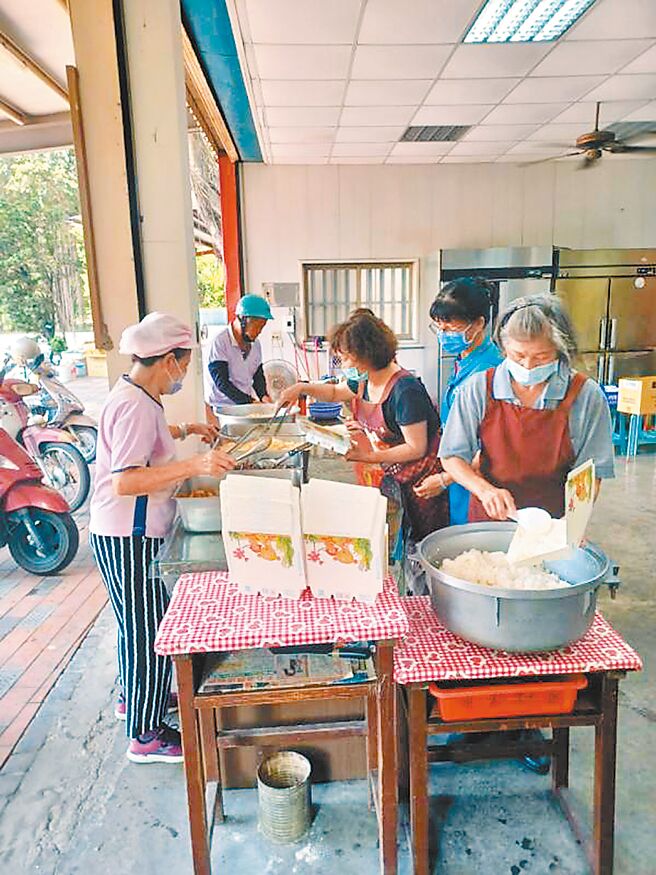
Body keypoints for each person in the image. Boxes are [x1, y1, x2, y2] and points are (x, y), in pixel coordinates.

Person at [89, 312, 235, 764]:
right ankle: (145, 734)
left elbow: (145, 439)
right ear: (168, 360)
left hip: (125, 531)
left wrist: (186, 430)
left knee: (136, 623)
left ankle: (134, 699)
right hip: (128, 534)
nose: (183, 374)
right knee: (145, 630)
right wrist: (195, 465)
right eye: (184, 365)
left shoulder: (138, 394)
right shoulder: (134, 403)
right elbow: (127, 481)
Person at [439, 294, 614, 522]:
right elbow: (452, 456)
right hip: (491, 518)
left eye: (541, 357)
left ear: (561, 352)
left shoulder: (585, 395)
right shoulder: (480, 387)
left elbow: (591, 473)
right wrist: (484, 490)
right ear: (504, 347)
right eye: (518, 356)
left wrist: (573, 524)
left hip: (553, 522)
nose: (528, 366)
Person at [278, 309, 448, 541]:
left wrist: (368, 456)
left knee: (422, 544)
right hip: (395, 474)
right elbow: (335, 391)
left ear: (366, 354)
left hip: (422, 482)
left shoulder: (405, 390)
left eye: (346, 357)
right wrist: (301, 388)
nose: (342, 364)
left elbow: (415, 447)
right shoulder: (363, 379)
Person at [415, 278, 503, 524]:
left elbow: (491, 446)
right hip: (459, 472)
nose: (443, 335)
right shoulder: (466, 360)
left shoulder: (488, 371)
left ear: (478, 324)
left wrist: (445, 479)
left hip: (480, 480)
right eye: (439, 328)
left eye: (450, 329)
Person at [207, 294, 273, 411]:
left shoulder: (255, 344)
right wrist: (250, 402)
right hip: (222, 407)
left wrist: (264, 398)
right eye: (256, 326)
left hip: (246, 406)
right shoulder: (220, 342)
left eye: (262, 327)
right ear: (242, 319)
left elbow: (258, 377)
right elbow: (222, 383)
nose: (259, 332)